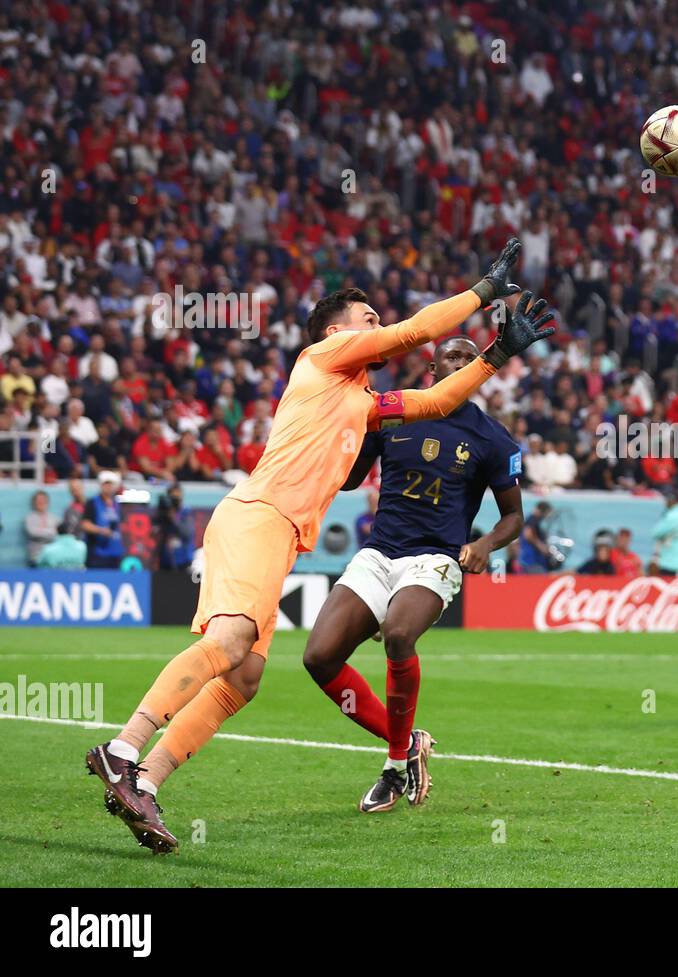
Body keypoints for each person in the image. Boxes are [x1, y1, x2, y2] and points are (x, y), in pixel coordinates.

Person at [85, 240, 554, 852]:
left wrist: (499, 354)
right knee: (229, 644)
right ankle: (122, 751)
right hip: (259, 516)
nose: (377, 327)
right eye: (368, 319)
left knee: (243, 678)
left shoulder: (363, 403)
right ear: (336, 331)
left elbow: (437, 401)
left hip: (277, 535)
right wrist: (483, 293)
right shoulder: (325, 356)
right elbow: (414, 333)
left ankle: (146, 781)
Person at [302, 337, 524, 813]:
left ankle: (392, 765)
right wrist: (345, 424)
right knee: (319, 658)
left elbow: (514, 517)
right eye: (453, 356)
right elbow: (350, 477)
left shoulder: (493, 438)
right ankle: (408, 742)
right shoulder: (393, 412)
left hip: (437, 558)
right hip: (379, 553)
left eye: (470, 357)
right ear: (432, 366)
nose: (462, 362)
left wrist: (484, 545)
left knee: (399, 634)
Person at [81, 470, 125, 569]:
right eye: (106, 484)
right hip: (98, 553)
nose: (108, 487)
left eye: (111, 484)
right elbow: (85, 524)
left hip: (115, 553)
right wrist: (101, 530)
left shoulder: (117, 504)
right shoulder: (93, 503)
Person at [155, 482, 196, 572]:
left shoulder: (186, 512)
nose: (175, 501)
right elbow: (156, 532)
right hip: (165, 560)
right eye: (173, 498)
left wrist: (174, 518)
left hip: (183, 561)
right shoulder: (163, 513)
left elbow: (187, 533)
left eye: (177, 498)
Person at [24, 489, 58, 566]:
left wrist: (41, 531)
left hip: (52, 558)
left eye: (44, 500)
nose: (41, 503)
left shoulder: (54, 518)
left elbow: (57, 535)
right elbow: (33, 533)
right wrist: (50, 532)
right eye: (38, 500)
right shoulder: (29, 518)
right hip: (35, 557)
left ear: (48, 502)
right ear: (34, 502)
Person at [518, 500, 554, 572]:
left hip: (532, 561)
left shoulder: (533, 520)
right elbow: (528, 534)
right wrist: (542, 547)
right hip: (532, 561)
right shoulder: (533, 519)